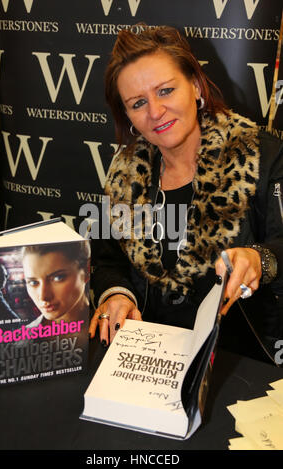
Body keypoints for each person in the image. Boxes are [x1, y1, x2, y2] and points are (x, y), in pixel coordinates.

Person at [89, 25, 283, 353]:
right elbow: (108, 259)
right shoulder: (125, 173)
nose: (154, 112)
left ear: (194, 85)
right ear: (127, 115)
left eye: (165, 91)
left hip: (239, 366)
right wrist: (118, 294)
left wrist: (257, 259)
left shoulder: (262, 155)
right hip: (147, 360)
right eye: (137, 103)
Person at [22, 241, 90, 340]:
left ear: (86, 271)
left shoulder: (113, 327)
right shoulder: (8, 346)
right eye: (33, 283)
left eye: (58, 278)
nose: (43, 296)